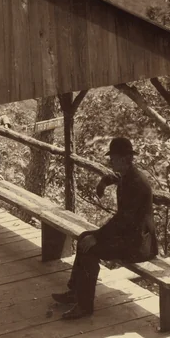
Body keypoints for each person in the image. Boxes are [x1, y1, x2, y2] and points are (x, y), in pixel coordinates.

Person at [52, 136, 158, 320]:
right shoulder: (128, 174)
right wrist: (104, 182)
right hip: (129, 236)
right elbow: (114, 178)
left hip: (138, 245)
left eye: (113, 158)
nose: (110, 162)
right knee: (84, 237)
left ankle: (84, 306)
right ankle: (75, 292)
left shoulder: (136, 183)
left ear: (124, 159)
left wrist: (97, 237)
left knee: (90, 248)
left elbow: (123, 220)